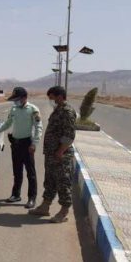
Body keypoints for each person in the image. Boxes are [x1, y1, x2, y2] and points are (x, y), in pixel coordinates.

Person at [0, 87, 43, 209]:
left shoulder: (33, 110)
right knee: (17, 171)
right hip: (16, 144)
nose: (15, 102)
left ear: (24, 98)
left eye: (17, 99)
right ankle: (16, 195)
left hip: (27, 144)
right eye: (15, 100)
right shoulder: (14, 109)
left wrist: (34, 144)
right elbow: (7, 124)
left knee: (31, 173)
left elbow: (38, 128)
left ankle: (31, 198)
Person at [29, 86, 77, 223]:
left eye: (52, 98)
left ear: (60, 96)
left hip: (61, 155)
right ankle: (45, 207)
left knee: (63, 183)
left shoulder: (67, 112)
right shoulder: (58, 110)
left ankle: (64, 212)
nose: (51, 101)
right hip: (52, 154)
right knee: (50, 181)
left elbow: (69, 135)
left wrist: (60, 151)